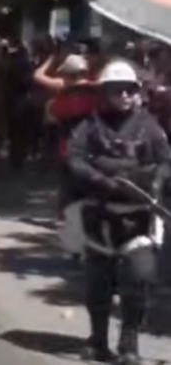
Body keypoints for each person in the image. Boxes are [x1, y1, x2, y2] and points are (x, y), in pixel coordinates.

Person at [65, 60, 170, 365]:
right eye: (117, 90)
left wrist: (156, 179)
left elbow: (166, 160)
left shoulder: (150, 127)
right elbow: (74, 160)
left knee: (140, 278)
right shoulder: (89, 128)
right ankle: (97, 341)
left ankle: (129, 344)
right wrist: (103, 181)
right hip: (99, 218)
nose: (125, 95)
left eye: (130, 90)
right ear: (104, 93)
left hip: (138, 219)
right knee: (98, 284)